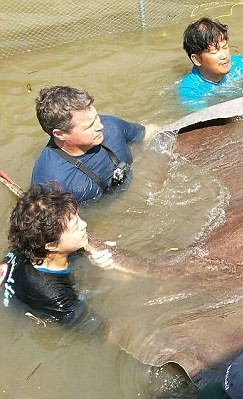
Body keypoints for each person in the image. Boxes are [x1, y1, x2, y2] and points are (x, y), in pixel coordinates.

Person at [0, 183, 114, 329]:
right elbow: (104, 334)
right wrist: (103, 273)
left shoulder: (28, 242)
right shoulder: (59, 300)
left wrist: (90, 258)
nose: (84, 224)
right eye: (75, 227)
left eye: (78, 218)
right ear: (51, 245)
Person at [31, 86, 149, 203]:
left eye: (96, 118)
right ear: (60, 134)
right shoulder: (51, 181)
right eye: (89, 126)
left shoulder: (111, 126)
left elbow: (148, 132)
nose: (100, 126)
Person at [178, 17, 243, 111]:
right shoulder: (191, 90)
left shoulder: (239, 64)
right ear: (197, 59)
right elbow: (201, 116)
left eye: (225, 47)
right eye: (214, 52)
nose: (224, 56)